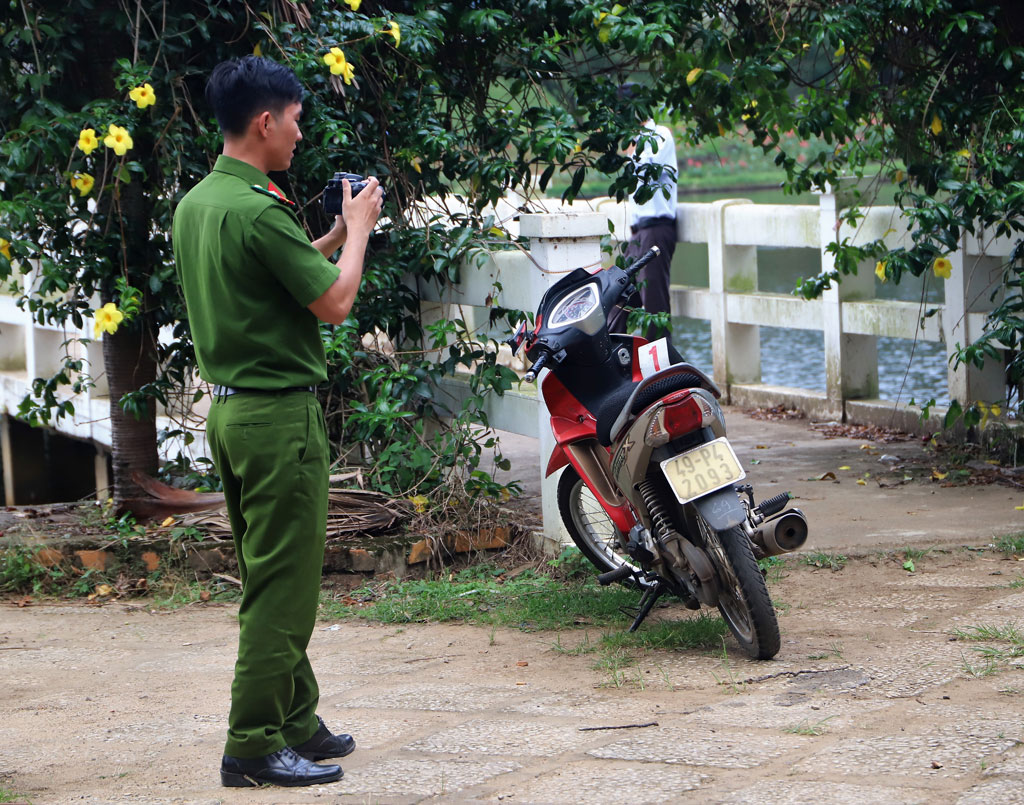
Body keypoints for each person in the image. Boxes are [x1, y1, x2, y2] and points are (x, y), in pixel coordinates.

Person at [172, 55, 383, 789]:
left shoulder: (203, 202)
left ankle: (295, 719)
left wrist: (323, 240)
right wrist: (357, 229)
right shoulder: (259, 208)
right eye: (294, 119)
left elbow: (274, 279)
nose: (299, 133)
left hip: (231, 417)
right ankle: (252, 743)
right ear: (265, 121)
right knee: (284, 588)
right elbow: (334, 302)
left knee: (271, 573)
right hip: (276, 420)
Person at [607, 110, 679, 344]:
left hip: (657, 228)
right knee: (619, 292)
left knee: (654, 301)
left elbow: (648, 169)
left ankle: (661, 362)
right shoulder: (633, 140)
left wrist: (631, 150)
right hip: (638, 233)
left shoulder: (660, 135)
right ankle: (613, 354)